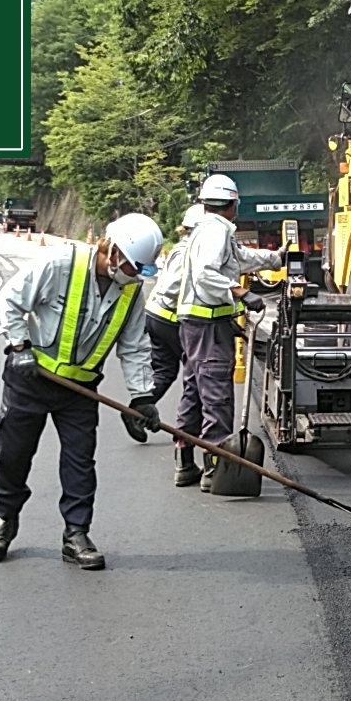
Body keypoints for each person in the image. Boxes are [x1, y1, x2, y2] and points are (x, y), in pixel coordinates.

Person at [0, 212, 164, 569]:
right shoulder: (60, 263)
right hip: (30, 379)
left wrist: (142, 397)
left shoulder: (130, 291)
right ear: (110, 250)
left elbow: (134, 345)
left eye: (141, 270)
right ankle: (5, 519)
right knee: (12, 455)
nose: (134, 274)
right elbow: (11, 302)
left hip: (80, 389)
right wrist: (19, 348)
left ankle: (76, 534)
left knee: (80, 462)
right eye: (131, 265)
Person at [175, 174, 283, 492]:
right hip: (206, 325)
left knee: (194, 393)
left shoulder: (209, 229)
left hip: (200, 323)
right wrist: (240, 292)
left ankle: (185, 462)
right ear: (233, 203)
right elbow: (207, 272)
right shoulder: (215, 232)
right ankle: (215, 470)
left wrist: (275, 258)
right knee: (217, 396)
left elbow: (239, 259)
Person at [139, 202, 205, 488]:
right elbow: (177, 288)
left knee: (164, 371)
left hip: (155, 315)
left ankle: (139, 408)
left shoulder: (180, 247)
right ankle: (189, 456)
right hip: (172, 320)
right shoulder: (194, 250)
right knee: (198, 381)